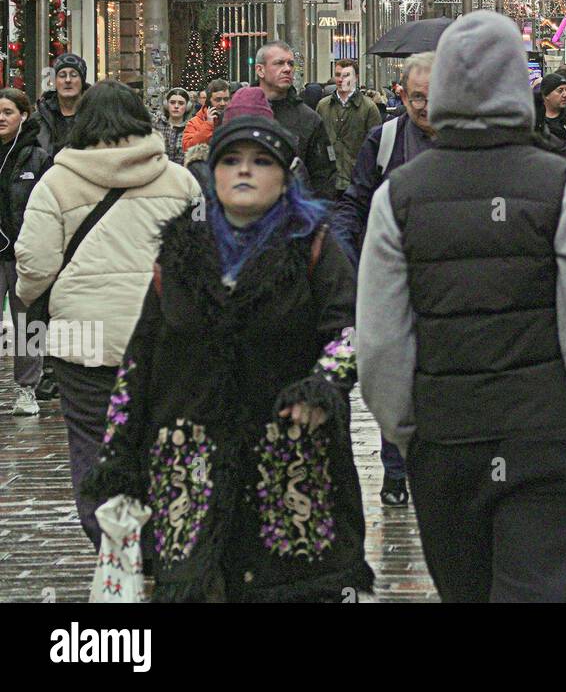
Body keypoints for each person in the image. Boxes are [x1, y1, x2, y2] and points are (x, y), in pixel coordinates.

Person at [357, 11, 566, 603]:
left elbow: (379, 340)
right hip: (548, 437)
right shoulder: (564, 188)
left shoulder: (398, 196)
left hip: (447, 442)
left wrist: (408, 436)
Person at [83, 89, 372, 601]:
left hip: (287, 459)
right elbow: (141, 357)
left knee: (288, 590)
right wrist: (119, 454)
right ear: (213, 172)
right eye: (231, 160)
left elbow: (350, 331)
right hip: (189, 461)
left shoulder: (313, 245)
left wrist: (322, 387)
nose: (244, 171)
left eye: (262, 161)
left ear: (285, 175)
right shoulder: (181, 251)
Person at [15, 81, 199, 547]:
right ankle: (159, 540)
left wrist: (30, 297)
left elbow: (34, 266)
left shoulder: (56, 182)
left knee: (92, 442)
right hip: (164, 335)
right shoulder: (180, 181)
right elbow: (204, 259)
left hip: (84, 338)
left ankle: (111, 542)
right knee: (159, 441)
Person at [331, 51, 438, 506]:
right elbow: (355, 202)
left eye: (433, 97)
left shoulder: (468, 142)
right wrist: (348, 259)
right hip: (394, 281)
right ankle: (395, 471)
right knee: (395, 374)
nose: (425, 107)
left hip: (449, 284)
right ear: (403, 96)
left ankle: (432, 468)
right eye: (417, 98)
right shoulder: (386, 139)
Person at [0, 89, 51, 416]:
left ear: (23, 115)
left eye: (8, 112)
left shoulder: (38, 157)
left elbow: (47, 209)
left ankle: (27, 388)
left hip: (24, 253)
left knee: (29, 324)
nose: (1, 118)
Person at [255, 41, 336, 199]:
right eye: (279, 63)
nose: (287, 69)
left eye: (290, 64)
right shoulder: (239, 113)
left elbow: (324, 177)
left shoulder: (309, 119)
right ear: (260, 70)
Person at [318, 59, 381, 195]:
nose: (341, 79)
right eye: (338, 75)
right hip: (329, 182)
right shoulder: (323, 106)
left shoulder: (368, 108)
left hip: (356, 182)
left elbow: (375, 147)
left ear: (356, 78)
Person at [35, 52, 89, 157]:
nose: (68, 80)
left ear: (82, 81)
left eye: (74, 75)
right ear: (55, 81)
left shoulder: (95, 116)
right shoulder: (39, 119)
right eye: (62, 75)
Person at [182, 79, 232, 153]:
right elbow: (187, 148)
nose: (222, 103)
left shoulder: (234, 119)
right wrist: (208, 125)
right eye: (218, 100)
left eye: (226, 99)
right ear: (209, 101)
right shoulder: (194, 122)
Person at [155, 87, 190, 164]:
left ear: (187, 106)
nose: (176, 106)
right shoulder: (156, 126)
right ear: (166, 104)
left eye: (181, 103)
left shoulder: (191, 129)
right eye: (172, 102)